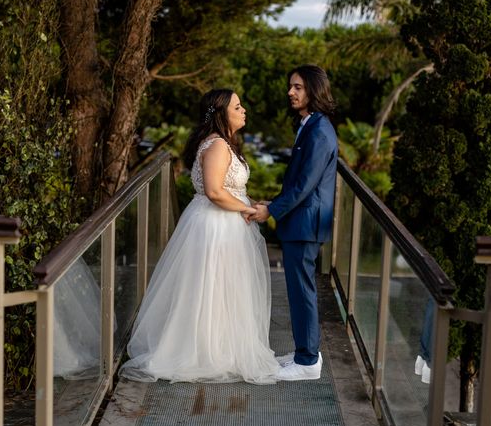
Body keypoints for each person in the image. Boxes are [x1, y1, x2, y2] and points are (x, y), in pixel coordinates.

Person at [119, 89, 280, 384]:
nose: (244, 110)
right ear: (221, 114)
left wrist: (252, 203)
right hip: (216, 225)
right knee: (212, 285)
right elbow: (215, 191)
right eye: (238, 106)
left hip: (222, 221)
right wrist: (248, 209)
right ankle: (206, 351)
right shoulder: (218, 145)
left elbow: (229, 190)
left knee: (220, 288)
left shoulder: (223, 143)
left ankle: (221, 346)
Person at [251, 65, 338, 381]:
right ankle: (305, 351)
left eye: (298, 87)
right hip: (302, 221)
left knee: (303, 291)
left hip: (306, 223)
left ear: (314, 90)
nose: (291, 92)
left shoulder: (318, 131)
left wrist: (270, 210)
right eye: (291, 86)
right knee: (300, 290)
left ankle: (307, 362)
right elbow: (297, 182)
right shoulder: (311, 125)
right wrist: (272, 202)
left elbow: (304, 185)